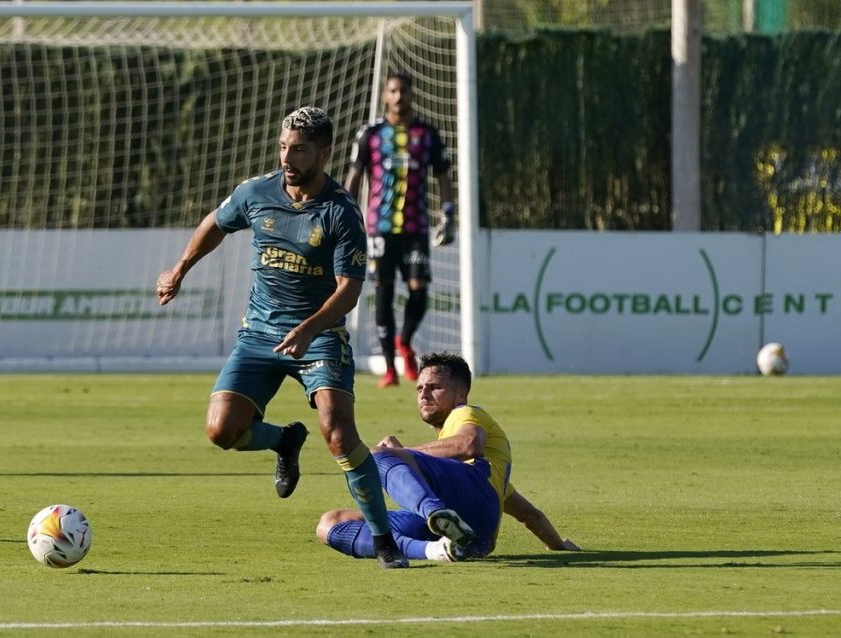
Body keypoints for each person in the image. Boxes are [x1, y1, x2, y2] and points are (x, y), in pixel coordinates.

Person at [155, 106, 408, 569]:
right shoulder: (256, 192)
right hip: (259, 333)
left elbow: (349, 290)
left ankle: (384, 540)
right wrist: (179, 269)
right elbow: (215, 223)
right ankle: (284, 441)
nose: (288, 158)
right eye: (283, 147)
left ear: (324, 154)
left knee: (338, 433)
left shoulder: (341, 212)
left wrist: (309, 328)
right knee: (221, 431)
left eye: (300, 150)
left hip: (320, 336)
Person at [316, 352, 580, 562]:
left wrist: (400, 453)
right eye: (419, 388)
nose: (423, 395)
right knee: (331, 523)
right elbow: (529, 515)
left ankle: (438, 515)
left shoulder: (466, 413)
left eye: (435, 387)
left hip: (471, 500)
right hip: (477, 535)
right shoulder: (480, 468)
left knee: (376, 456)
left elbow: (469, 444)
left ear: (461, 395)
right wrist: (558, 545)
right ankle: (437, 550)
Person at [345, 72, 456, 388]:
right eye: (393, 91)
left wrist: (448, 213)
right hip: (379, 227)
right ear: (385, 96)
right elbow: (354, 175)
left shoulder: (427, 133)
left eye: (403, 90)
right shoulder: (370, 134)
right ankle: (390, 368)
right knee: (384, 291)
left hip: (416, 227)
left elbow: (443, 175)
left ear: (411, 94)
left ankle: (404, 342)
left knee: (419, 289)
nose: (398, 96)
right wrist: (345, 214)